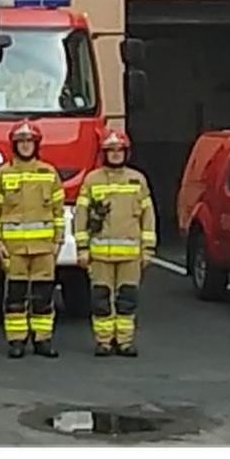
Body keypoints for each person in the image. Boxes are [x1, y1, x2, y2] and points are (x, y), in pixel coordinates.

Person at [0, 121, 68, 359]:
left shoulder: (48, 173)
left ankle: (43, 340)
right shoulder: (3, 175)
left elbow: (58, 211)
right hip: (13, 250)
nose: (25, 145)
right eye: (21, 142)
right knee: (15, 297)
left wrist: (58, 242)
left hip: (44, 249)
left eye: (29, 141)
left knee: (43, 296)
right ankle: (17, 340)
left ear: (36, 145)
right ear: (14, 145)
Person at [76, 130, 156, 357]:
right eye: (110, 150)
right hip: (99, 255)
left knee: (127, 300)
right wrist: (82, 249)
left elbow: (148, 217)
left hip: (131, 255)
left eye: (119, 150)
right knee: (100, 299)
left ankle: (124, 341)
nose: (115, 154)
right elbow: (81, 216)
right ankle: (103, 341)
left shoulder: (137, 180)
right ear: (104, 153)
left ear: (126, 152)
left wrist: (148, 250)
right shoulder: (92, 180)